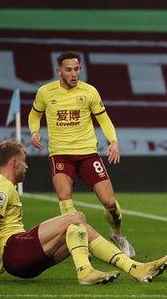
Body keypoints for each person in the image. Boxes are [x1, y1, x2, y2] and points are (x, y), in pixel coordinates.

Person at [0, 140, 167, 285]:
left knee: (79, 229)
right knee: (76, 217)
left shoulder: (0, 186)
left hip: (21, 263)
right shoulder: (2, 187)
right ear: (14, 162)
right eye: (24, 161)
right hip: (15, 251)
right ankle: (85, 272)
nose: (27, 166)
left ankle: (135, 268)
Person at [28, 51, 135, 258]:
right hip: (60, 154)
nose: (74, 73)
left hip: (88, 154)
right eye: (69, 70)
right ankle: (79, 248)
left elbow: (104, 119)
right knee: (65, 198)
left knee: (110, 203)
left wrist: (113, 142)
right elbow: (34, 114)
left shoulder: (89, 92)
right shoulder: (45, 92)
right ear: (59, 71)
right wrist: (34, 131)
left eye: (77, 69)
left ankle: (117, 234)